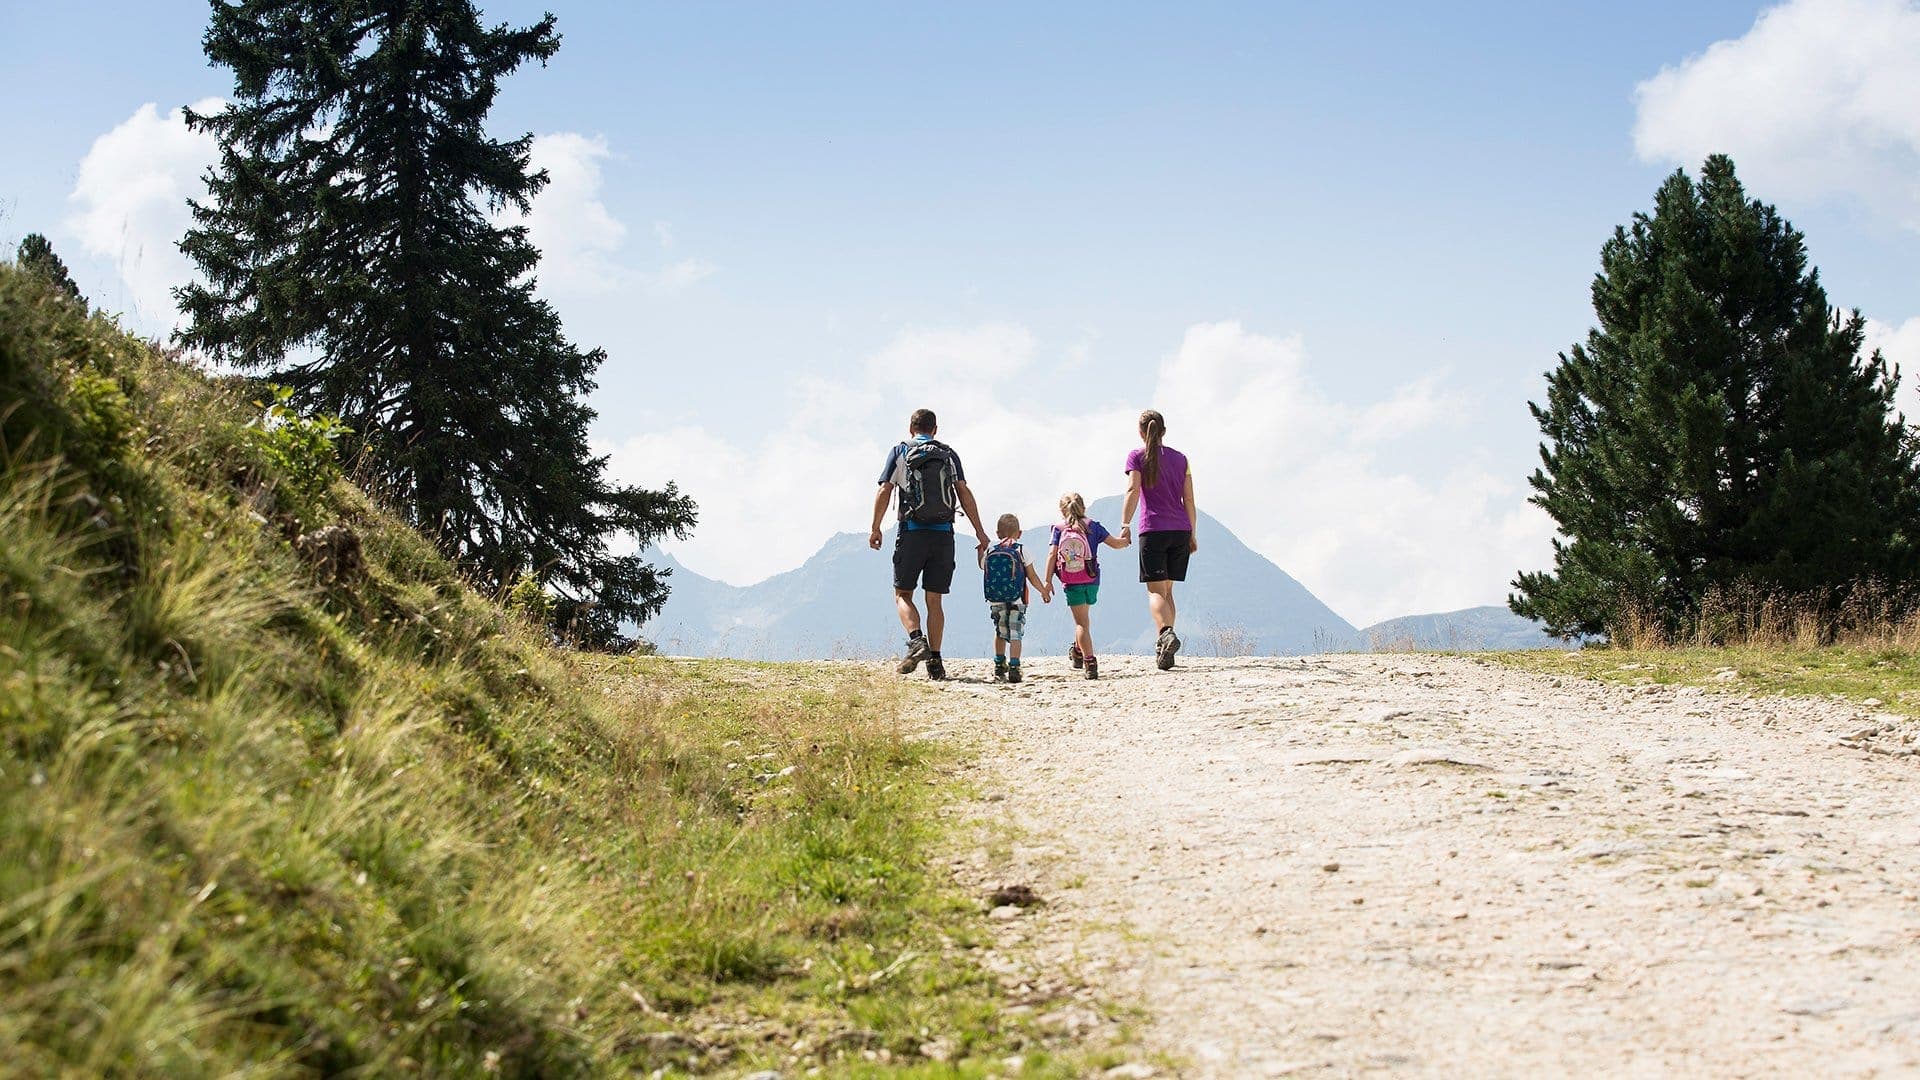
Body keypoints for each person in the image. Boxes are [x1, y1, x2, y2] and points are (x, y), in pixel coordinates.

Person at [870, 408, 990, 680]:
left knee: (902, 594)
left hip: (912, 532)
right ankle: (935, 661)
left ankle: (916, 640)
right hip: (944, 535)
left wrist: (875, 527)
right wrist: (980, 533)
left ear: (911, 428)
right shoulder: (948, 454)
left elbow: (885, 489)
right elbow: (964, 492)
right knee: (934, 600)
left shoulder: (900, 451)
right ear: (935, 429)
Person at [1120, 409, 1197, 670]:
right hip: (1180, 530)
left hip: (1153, 529)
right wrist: (1193, 534)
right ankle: (1165, 647)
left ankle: (1165, 632)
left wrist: (1124, 524)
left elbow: (1132, 490)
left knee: (1155, 591)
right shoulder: (1181, 459)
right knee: (1168, 591)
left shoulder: (1137, 457)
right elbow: (1189, 500)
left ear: (1141, 432)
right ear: (1164, 431)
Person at [1044, 492, 1129, 680]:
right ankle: (1077, 651)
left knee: (1081, 623)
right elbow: (1116, 544)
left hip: (1071, 582)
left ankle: (1089, 662)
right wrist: (1126, 539)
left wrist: (1048, 581)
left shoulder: (1058, 529)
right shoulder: (1093, 527)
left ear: (1061, 510)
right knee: (1084, 619)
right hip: (1091, 580)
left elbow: (1052, 555)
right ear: (1084, 507)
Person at [980, 513, 1052, 683]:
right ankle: (1014, 666)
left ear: (997, 533)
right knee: (1015, 634)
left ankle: (999, 664)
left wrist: (980, 552)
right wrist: (1043, 591)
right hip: (1016, 600)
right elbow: (1032, 576)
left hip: (996, 599)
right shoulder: (1021, 550)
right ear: (1019, 533)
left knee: (999, 631)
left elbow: (983, 566)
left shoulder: (991, 549)